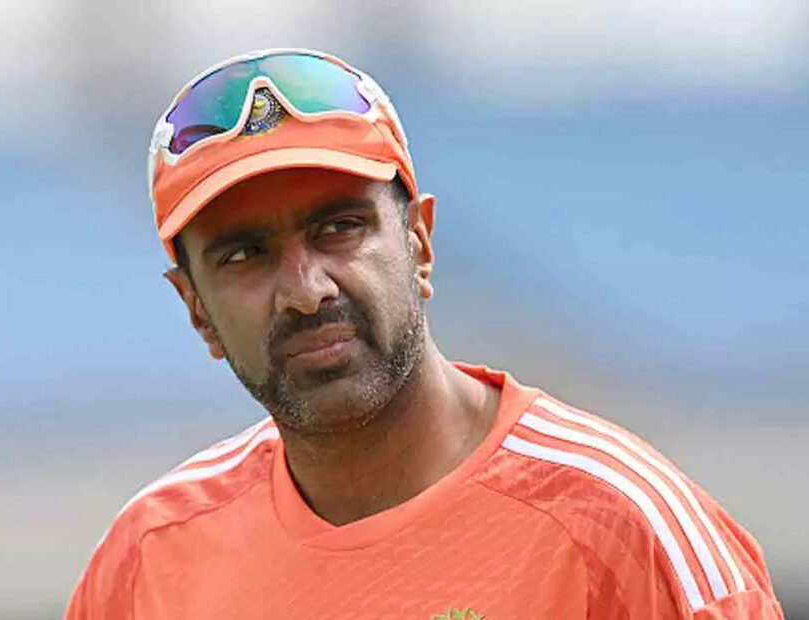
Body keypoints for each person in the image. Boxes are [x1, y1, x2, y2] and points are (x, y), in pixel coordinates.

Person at [66, 49, 782, 619]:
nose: (307, 291)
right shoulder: (148, 560)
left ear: (419, 243)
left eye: (340, 227)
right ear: (195, 308)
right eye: (245, 255)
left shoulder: (623, 524)